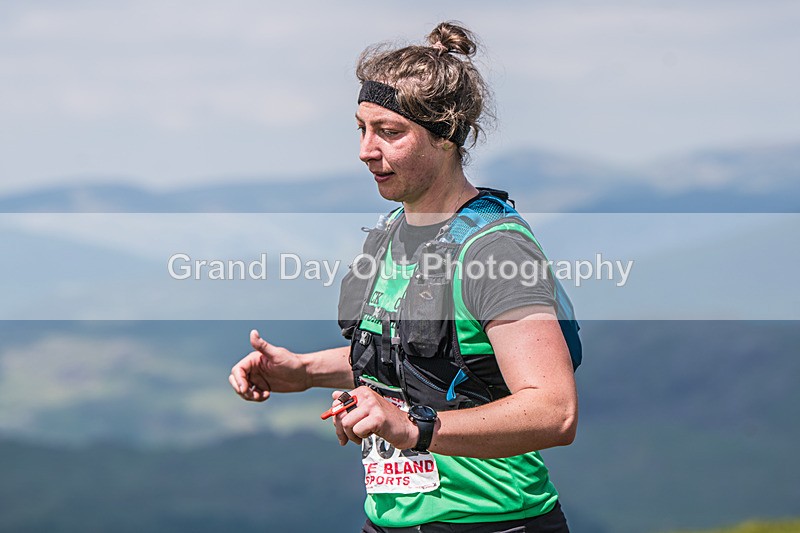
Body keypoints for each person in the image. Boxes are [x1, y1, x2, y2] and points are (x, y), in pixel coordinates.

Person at [229, 22, 578, 533]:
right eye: (362, 129)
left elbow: (554, 411)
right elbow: (416, 361)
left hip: (494, 523)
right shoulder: (394, 232)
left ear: (445, 137)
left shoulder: (495, 251)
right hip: (388, 522)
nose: (367, 150)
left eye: (390, 133)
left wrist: (413, 427)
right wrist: (303, 371)